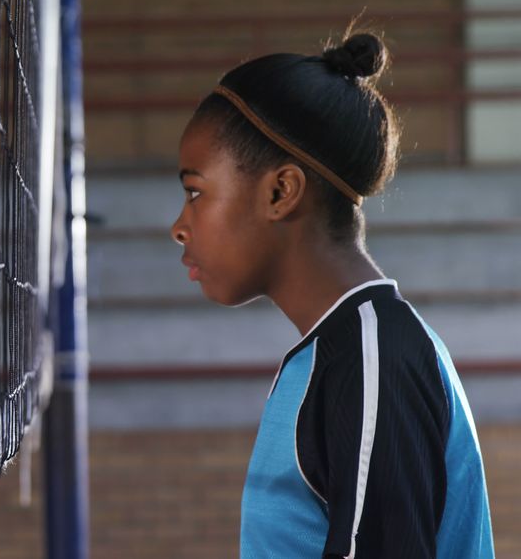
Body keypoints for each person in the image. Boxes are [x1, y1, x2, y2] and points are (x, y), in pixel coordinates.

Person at [170, 32, 494, 557]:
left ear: (280, 191)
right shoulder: (345, 352)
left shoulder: (373, 361)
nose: (179, 227)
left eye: (195, 192)